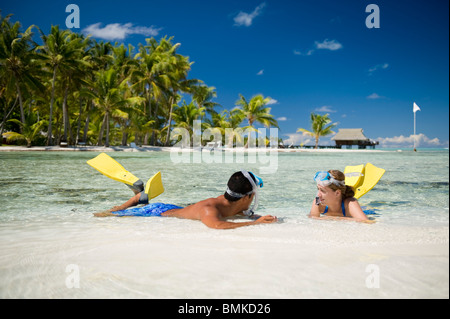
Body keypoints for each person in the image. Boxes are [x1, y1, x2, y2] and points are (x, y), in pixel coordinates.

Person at [94, 171, 278, 229]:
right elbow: (217, 226)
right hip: (156, 213)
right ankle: (137, 198)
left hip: (174, 209)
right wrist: (255, 224)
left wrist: (259, 218)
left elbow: (239, 215)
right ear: (247, 197)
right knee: (107, 215)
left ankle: (142, 196)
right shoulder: (209, 209)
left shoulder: (233, 204)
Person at [308, 170, 374, 223]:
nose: (318, 195)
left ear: (337, 193)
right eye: (318, 189)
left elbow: (366, 221)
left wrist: (330, 218)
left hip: (368, 211)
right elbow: (312, 218)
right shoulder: (318, 200)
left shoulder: (350, 203)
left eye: (322, 191)